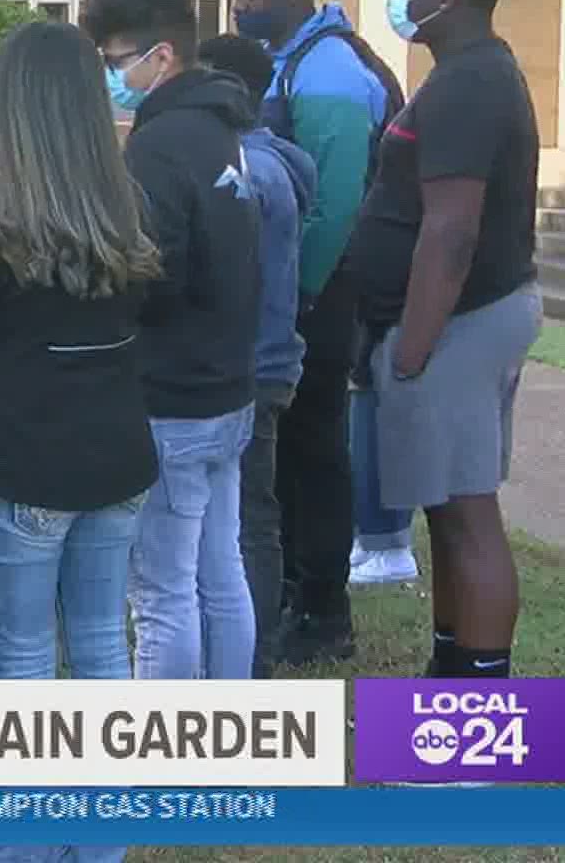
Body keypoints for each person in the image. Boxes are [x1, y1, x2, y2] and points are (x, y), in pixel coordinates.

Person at [0, 24, 161, 784]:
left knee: (24, 664)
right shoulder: (129, 208)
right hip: (113, 456)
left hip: (23, 464)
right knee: (101, 647)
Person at [341, 0, 542, 679]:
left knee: (467, 514)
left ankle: (479, 714)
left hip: (455, 327)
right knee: (450, 514)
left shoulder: (468, 84)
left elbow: (450, 233)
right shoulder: (467, 74)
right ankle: (450, 675)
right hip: (458, 323)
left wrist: (413, 351)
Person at [216, 0, 402, 664]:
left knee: (312, 453)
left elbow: (336, 207)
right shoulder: (296, 59)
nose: (239, 7)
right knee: (293, 454)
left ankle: (323, 609)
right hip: (306, 298)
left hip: (323, 300)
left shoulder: (327, 72)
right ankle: (300, 590)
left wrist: (298, 303)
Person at [81, 0, 261, 681]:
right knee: (221, 572)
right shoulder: (224, 132)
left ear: (161, 56)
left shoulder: (157, 147)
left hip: (170, 398)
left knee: (160, 594)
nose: (108, 75)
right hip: (227, 388)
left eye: (115, 58)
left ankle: (167, 766)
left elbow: (151, 276)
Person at [198, 34, 318, 679]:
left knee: (246, 521)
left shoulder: (243, 170)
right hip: (272, 362)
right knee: (249, 515)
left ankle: (250, 659)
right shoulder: (281, 161)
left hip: (246, 367)